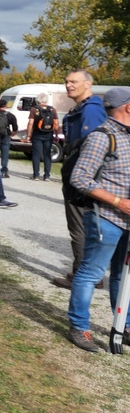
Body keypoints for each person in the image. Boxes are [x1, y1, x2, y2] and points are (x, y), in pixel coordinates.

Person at [66, 86, 130, 352]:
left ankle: (123, 327)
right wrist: (118, 202)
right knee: (91, 273)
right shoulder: (103, 136)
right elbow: (79, 178)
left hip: (127, 222)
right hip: (106, 218)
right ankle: (79, 328)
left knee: (123, 276)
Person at [55, 69, 109, 289]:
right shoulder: (81, 109)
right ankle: (87, 274)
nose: (68, 85)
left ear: (88, 84)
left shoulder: (91, 112)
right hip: (77, 174)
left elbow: (95, 148)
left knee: (80, 227)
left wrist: (82, 178)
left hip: (83, 178)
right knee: (82, 227)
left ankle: (83, 276)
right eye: (66, 81)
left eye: (74, 82)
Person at [26, 92, 57, 181]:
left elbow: (30, 123)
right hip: (49, 134)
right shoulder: (52, 109)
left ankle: (36, 175)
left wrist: (28, 135)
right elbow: (56, 123)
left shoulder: (34, 109)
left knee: (36, 154)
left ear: (37, 101)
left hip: (37, 134)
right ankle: (47, 176)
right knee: (47, 154)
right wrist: (57, 134)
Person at [0, 99, 19, 178]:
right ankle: (4, 171)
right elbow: (15, 127)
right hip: (5, 135)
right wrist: (13, 132)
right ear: (5, 105)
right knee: (5, 154)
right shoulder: (10, 115)